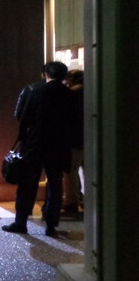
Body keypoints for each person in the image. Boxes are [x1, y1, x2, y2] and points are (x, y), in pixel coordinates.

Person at [2, 61, 74, 237]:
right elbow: (74, 121)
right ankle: (51, 225)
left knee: (28, 182)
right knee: (55, 183)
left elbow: (20, 115)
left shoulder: (33, 91)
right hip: (59, 145)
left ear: (44, 74)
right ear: (64, 76)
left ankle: (21, 222)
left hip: (35, 143)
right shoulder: (70, 95)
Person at [62, 69, 84, 214]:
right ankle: (90, 200)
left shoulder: (70, 94)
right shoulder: (94, 91)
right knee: (89, 172)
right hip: (91, 139)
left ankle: (71, 202)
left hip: (73, 139)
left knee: (71, 172)